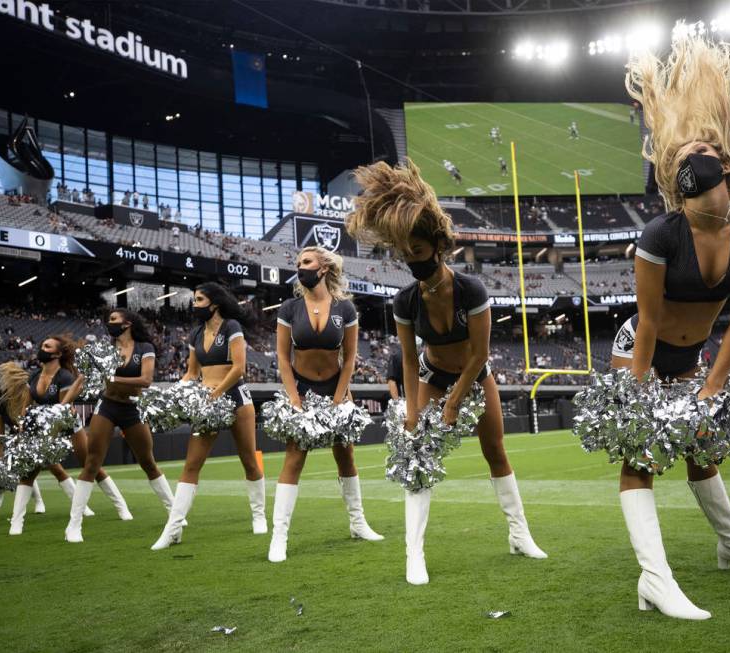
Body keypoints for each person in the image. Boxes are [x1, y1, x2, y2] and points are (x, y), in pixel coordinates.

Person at [610, 33, 730, 621]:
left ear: (726, 164)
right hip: (641, 349)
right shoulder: (661, 234)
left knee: (702, 449)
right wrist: (639, 394)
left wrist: (710, 388)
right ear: (670, 172)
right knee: (641, 457)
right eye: (680, 152)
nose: (691, 153)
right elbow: (650, 319)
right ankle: (654, 580)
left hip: (693, 357)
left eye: (701, 148)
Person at [347, 160, 546, 585]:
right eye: (405, 255)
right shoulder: (405, 301)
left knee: (496, 453)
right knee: (419, 458)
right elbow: (406, 356)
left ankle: (520, 535)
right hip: (431, 376)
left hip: (475, 378)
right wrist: (412, 410)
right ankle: (413, 556)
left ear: (437, 246)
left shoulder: (471, 290)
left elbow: (479, 353)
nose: (411, 261)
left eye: (417, 252)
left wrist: (456, 401)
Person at [267, 246, 383, 563]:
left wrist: (338, 398)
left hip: (336, 389)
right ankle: (279, 537)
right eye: (298, 263)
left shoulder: (345, 309)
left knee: (346, 457)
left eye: (306, 262)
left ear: (323, 268)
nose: (299, 267)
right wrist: (293, 397)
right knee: (294, 458)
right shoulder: (289, 308)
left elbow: (349, 359)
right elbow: (281, 356)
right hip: (302, 390)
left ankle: (358, 523)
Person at [151, 283, 265, 550]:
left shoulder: (231, 327)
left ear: (213, 303)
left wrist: (216, 394)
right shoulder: (195, 334)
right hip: (206, 402)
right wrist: (174, 394)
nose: (195, 304)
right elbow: (192, 373)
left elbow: (239, 369)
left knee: (249, 460)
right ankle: (173, 529)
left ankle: (259, 516)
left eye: (199, 299)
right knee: (192, 465)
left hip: (235, 397)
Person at [65, 310, 178, 543]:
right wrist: (63, 404)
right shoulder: (104, 350)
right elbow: (82, 379)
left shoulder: (144, 347)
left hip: (133, 408)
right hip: (107, 406)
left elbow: (146, 380)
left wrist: (113, 379)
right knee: (92, 463)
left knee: (148, 462)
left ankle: (175, 514)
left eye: (114, 320)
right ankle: (73, 525)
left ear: (127, 323)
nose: (109, 323)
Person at [5, 335, 130, 536]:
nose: (41, 348)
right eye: (42, 344)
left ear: (57, 354)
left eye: (47, 346)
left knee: (91, 466)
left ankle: (121, 506)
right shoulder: (35, 376)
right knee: (28, 473)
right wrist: (22, 425)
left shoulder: (64, 377)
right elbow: (27, 405)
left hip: (67, 425)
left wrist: (48, 429)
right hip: (42, 426)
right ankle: (16, 523)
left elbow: (64, 409)